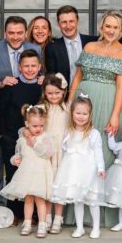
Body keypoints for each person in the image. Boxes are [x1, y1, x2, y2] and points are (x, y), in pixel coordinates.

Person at [66, 10, 122, 227]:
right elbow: (77, 78)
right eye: (108, 26)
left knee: (105, 154)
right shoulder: (89, 48)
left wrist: (115, 116)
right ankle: (78, 211)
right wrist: (69, 102)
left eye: (115, 27)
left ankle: (105, 213)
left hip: (109, 103)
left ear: (121, 30)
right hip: (83, 102)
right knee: (80, 153)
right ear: (101, 27)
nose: (111, 31)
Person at [0, 16, 42, 207]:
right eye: (11, 33)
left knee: (30, 166)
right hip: (6, 117)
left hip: (30, 121)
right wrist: (0, 83)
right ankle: (0, 204)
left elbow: (38, 72)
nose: (15, 36)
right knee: (2, 164)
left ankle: (31, 209)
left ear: (25, 33)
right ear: (5, 33)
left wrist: (42, 79)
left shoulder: (35, 49)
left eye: (20, 32)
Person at [0, 50, 44, 223]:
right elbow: (0, 110)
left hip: (37, 139)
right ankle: (14, 213)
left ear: (39, 67)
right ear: (19, 67)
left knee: (35, 175)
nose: (30, 69)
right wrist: (3, 133)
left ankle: (37, 214)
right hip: (12, 139)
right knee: (13, 173)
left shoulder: (43, 87)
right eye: (26, 66)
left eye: (33, 66)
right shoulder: (11, 86)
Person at [51, 95, 106, 239]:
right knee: (77, 200)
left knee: (93, 200)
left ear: (90, 114)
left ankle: (96, 228)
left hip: (89, 171)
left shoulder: (94, 134)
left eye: (85, 114)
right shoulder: (68, 132)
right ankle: (80, 227)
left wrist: (101, 168)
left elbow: (98, 152)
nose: (81, 117)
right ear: (72, 114)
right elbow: (63, 150)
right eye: (78, 113)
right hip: (73, 170)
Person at [0, 105, 55, 238]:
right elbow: (18, 154)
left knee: (40, 200)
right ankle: (27, 223)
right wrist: (14, 160)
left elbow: (49, 153)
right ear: (27, 124)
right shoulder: (22, 139)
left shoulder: (46, 137)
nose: (38, 129)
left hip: (41, 174)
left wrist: (35, 144)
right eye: (35, 126)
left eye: (41, 125)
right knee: (28, 200)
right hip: (27, 173)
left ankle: (42, 224)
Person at [40, 72, 70, 233]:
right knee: (47, 187)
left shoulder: (68, 108)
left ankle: (58, 218)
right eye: (50, 93)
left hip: (63, 153)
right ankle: (46, 218)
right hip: (47, 153)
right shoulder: (41, 108)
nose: (53, 96)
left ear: (64, 92)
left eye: (57, 93)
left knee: (60, 187)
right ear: (44, 92)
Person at [45, 5, 97, 81]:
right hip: (65, 91)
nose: (68, 26)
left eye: (71, 21)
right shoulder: (52, 48)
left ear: (77, 21)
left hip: (90, 91)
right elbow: (52, 76)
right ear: (58, 24)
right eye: (64, 22)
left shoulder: (92, 42)